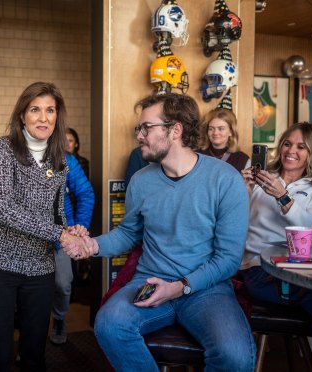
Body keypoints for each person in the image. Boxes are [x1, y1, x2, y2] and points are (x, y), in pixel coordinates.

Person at [62, 93, 256, 371]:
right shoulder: (141, 181)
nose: (139, 135)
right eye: (138, 129)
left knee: (235, 356)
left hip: (206, 290)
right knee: (109, 325)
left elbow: (228, 260)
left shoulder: (225, 179)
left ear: (175, 130)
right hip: (151, 282)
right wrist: (90, 245)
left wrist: (179, 287)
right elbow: (128, 233)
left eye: (146, 128)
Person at [0, 82, 85, 371]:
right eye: (35, 109)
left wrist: (71, 231)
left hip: (40, 268)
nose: (43, 117)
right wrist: (57, 233)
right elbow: (2, 209)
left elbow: (57, 212)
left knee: (35, 355)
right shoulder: (3, 148)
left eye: (50, 110)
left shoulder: (60, 158)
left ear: (57, 117)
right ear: (22, 115)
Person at [239, 122, 312, 368]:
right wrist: (243, 190)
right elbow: (232, 223)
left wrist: (283, 196)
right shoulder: (262, 177)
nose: (290, 150)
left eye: (301, 146)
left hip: (301, 270)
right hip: (259, 269)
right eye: (287, 143)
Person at [50, 153, 94, 344]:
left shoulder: (65, 160)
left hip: (62, 236)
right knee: (29, 292)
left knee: (63, 283)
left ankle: (59, 319)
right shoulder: (19, 155)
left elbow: (85, 193)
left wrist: (81, 225)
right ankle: (28, 340)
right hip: (29, 239)